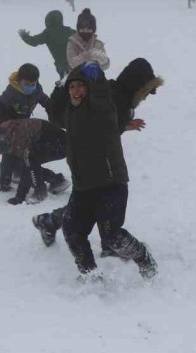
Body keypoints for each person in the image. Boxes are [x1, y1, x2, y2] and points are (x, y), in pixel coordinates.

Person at [30, 64, 158, 281]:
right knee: (72, 231)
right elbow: (54, 113)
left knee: (112, 236)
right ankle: (90, 274)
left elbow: (102, 95)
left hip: (110, 183)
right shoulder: (70, 114)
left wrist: (95, 75)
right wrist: (60, 87)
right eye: (73, 87)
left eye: (81, 86)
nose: (76, 90)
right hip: (83, 185)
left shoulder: (101, 107)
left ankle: (144, 258)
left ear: (90, 88)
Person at [0, 63, 67, 201]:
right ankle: (5, 182)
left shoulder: (36, 90)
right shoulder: (11, 92)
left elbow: (46, 102)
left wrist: (55, 114)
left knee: (25, 160)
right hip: (12, 127)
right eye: (27, 83)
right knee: (12, 155)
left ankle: (54, 179)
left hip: (28, 129)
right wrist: (2, 124)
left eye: (33, 83)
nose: (30, 86)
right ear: (19, 81)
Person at [0, 117, 69, 205]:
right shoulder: (9, 133)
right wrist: (4, 183)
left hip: (61, 145)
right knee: (22, 160)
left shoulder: (18, 135)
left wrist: (20, 197)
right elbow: (7, 159)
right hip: (51, 142)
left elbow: (26, 169)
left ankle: (40, 192)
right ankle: (56, 180)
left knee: (28, 159)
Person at [18, 10, 76, 81]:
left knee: (67, 84)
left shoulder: (48, 33)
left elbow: (33, 41)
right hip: (76, 63)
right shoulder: (70, 31)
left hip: (62, 66)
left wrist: (24, 36)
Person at [66, 8, 110, 73]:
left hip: (94, 77)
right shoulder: (72, 42)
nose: (85, 31)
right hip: (75, 77)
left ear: (93, 30)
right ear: (78, 29)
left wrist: (103, 59)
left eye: (89, 28)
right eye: (83, 28)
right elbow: (72, 64)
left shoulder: (98, 44)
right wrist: (89, 55)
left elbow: (106, 66)